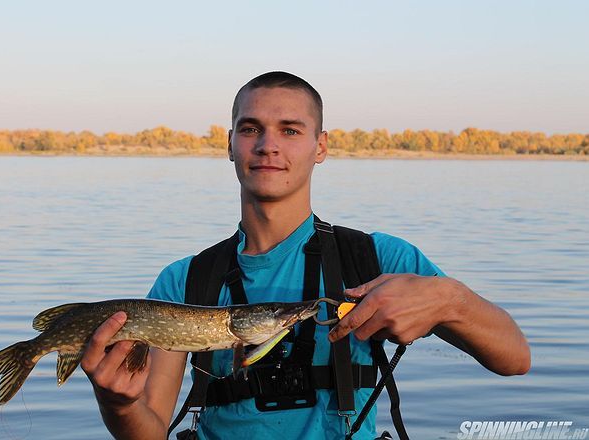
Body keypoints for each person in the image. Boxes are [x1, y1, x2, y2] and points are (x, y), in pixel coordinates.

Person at [80, 71, 530, 439]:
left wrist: (451, 301)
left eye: (290, 130)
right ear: (230, 144)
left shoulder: (378, 257)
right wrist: (116, 402)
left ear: (321, 147)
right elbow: (149, 431)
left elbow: (514, 358)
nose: (268, 145)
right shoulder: (184, 281)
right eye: (250, 128)